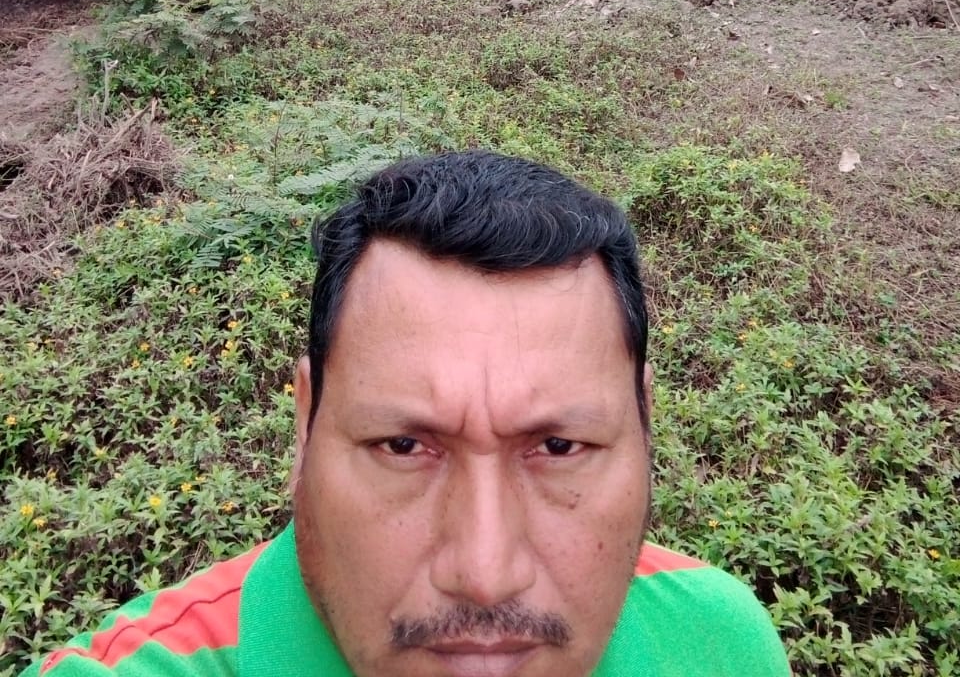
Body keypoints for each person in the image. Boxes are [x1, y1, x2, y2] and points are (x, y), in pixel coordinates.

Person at [25, 151, 791, 677]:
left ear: (644, 424)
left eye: (559, 445)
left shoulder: (718, 641)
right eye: (401, 445)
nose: (485, 575)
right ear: (304, 425)